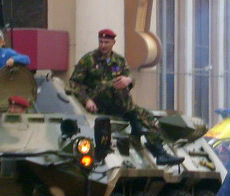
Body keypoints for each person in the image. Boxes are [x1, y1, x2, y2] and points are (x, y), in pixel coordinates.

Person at [68, 28, 181, 164]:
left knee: (147, 117)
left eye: (106, 42)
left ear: (113, 42)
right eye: (101, 42)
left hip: (119, 105)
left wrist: (129, 80)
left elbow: (129, 78)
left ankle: (159, 152)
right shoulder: (88, 60)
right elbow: (74, 82)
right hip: (97, 101)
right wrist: (87, 100)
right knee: (115, 85)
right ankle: (135, 124)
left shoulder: (119, 61)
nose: (103, 45)